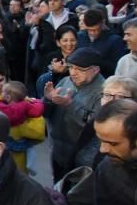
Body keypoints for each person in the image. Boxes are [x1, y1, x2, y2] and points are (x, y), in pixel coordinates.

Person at [44, 47, 105, 180]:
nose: (73, 73)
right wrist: (48, 100)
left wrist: (70, 105)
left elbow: (93, 125)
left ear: (95, 70)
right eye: (71, 67)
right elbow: (48, 114)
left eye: (80, 69)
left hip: (83, 155)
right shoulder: (66, 81)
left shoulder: (103, 91)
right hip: (58, 149)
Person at [76, 7, 127, 78]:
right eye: (89, 30)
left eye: (96, 29)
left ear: (103, 23)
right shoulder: (79, 36)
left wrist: (99, 61)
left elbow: (119, 67)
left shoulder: (115, 40)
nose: (93, 33)